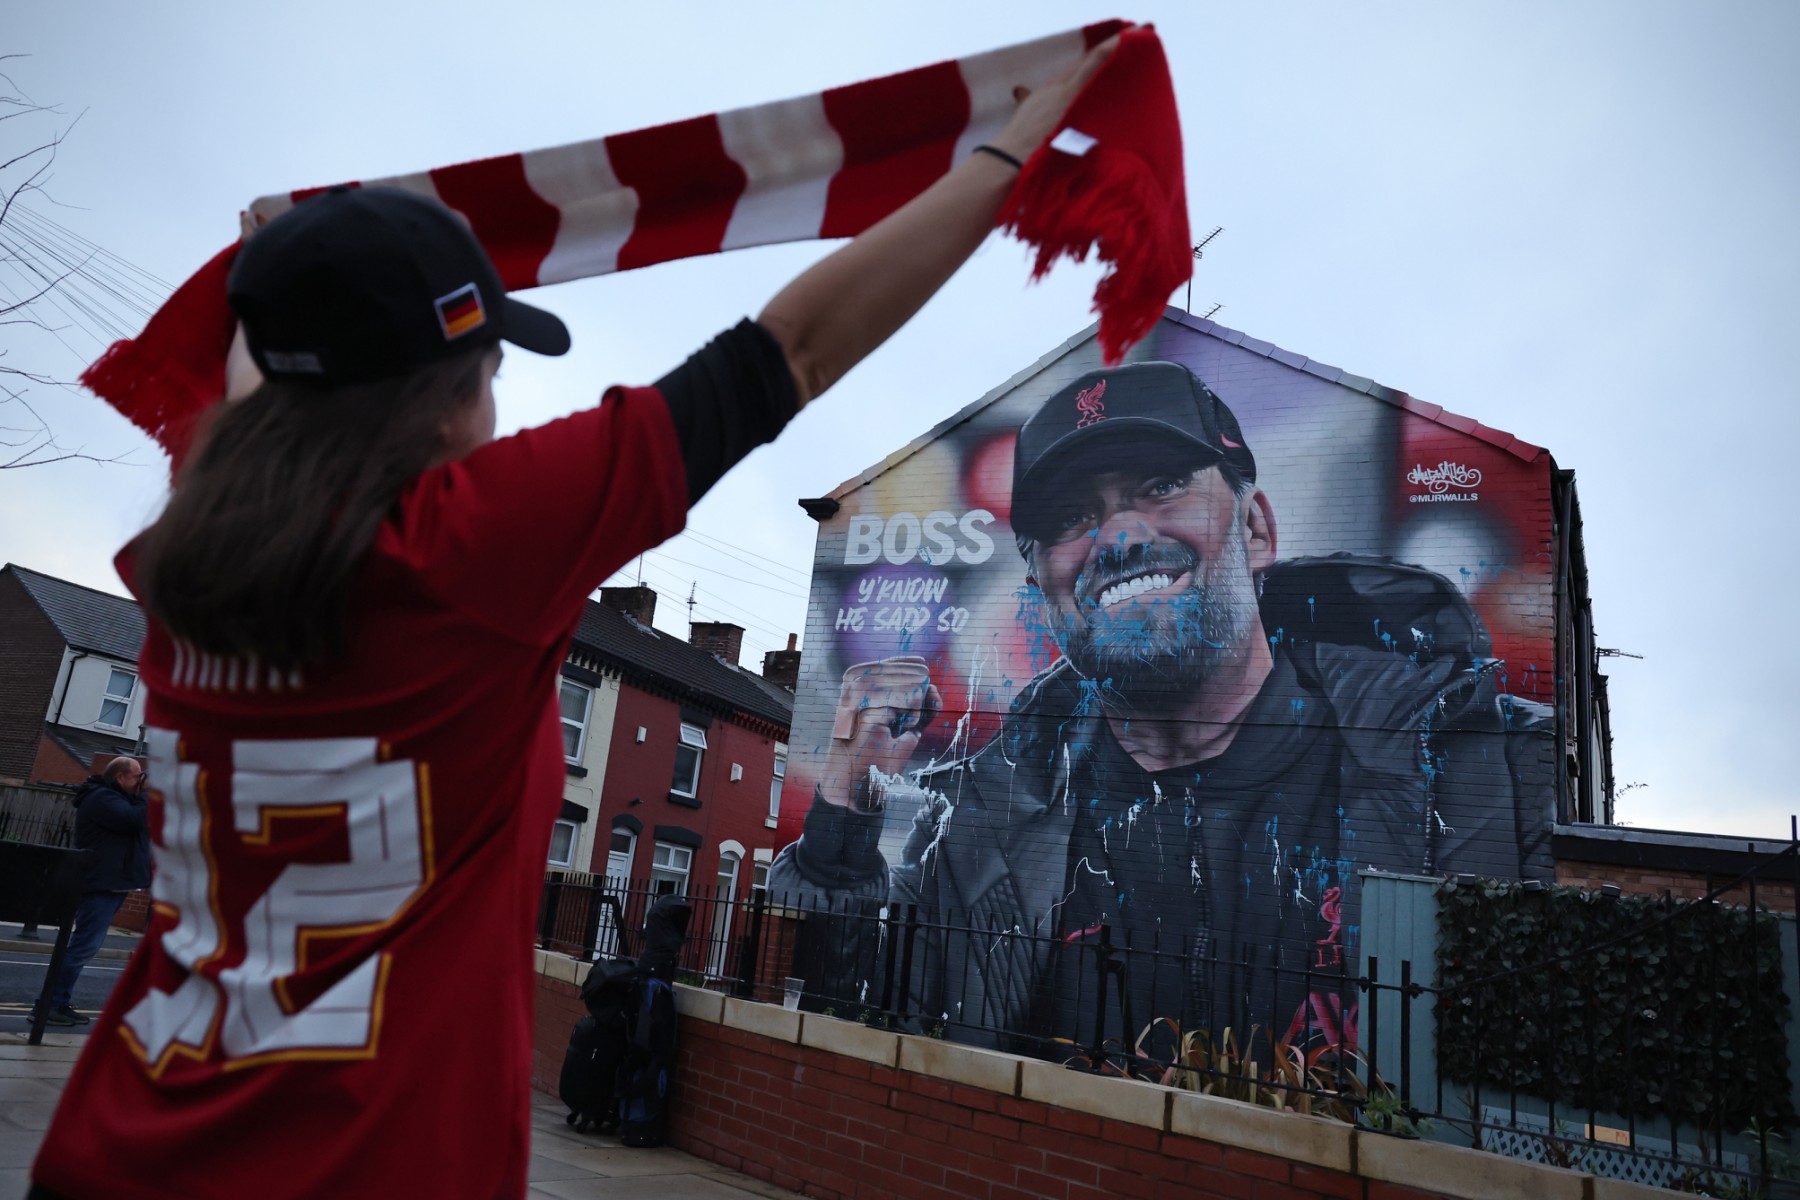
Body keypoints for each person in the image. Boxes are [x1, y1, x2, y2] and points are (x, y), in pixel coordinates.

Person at [26, 36, 1120, 1200]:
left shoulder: (187, 564)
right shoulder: (465, 551)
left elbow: (278, 406)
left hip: (120, 1140)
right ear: (437, 402)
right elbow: (788, 349)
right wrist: (1010, 151)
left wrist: (289, 278)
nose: (499, 403)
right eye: (488, 368)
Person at [769, 360, 1554, 1059]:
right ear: (1042, 591)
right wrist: (850, 807)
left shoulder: (1475, 764)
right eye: (1073, 520)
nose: (1117, 536)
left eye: (1162, 485)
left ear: (1255, 530)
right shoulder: (983, 824)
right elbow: (859, 1026)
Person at [28, 756, 151, 1027]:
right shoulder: (101, 799)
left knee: (84, 947)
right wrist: (149, 794)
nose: (140, 782)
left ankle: (58, 1001)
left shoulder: (119, 799)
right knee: (83, 947)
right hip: (100, 885)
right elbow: (137, 819)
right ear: (120, 778)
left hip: (113, 883)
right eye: (137, 777)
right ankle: (47, 1005)